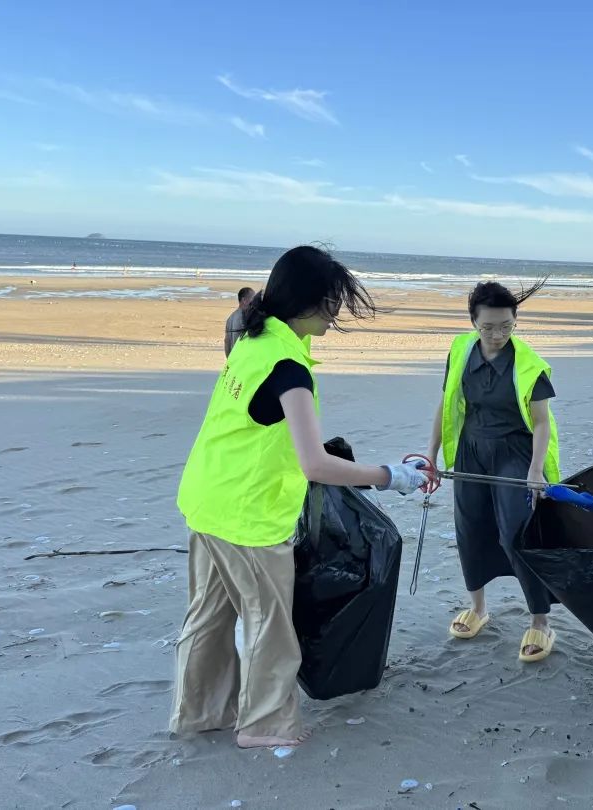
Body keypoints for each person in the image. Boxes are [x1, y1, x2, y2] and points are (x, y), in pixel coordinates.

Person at [171, 245, 433, 750]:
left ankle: (201, 712)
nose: (336, 314)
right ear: (309, 302)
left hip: (206, 497)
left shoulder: (253, 337)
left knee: (209, 615)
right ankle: (264, 724)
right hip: (249, 515)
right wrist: (390, 476)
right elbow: (315, 464)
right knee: (270, 623)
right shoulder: (289, 368)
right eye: (332, 302)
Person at [425, 279, 560, 662]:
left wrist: (536, 470)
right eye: (488, 327)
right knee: (470, 527)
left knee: (517, 530)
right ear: (473, 322)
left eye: (506, 325)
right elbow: (446, 402)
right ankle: (479, 608)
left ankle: (540, 622)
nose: (498, 334)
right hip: (470, 449)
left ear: (516, 321)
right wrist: (431, 454)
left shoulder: (530, 365)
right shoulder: (459, 351)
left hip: (514, 452)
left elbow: (542, 423)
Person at [224, 286, 256, 357]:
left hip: (234, 359)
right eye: (253, 298)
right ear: (244, 300)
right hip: (242, 359)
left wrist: (229, 360)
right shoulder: (245, 317)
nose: (254, 302)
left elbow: (227, 342)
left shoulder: (230, 318)